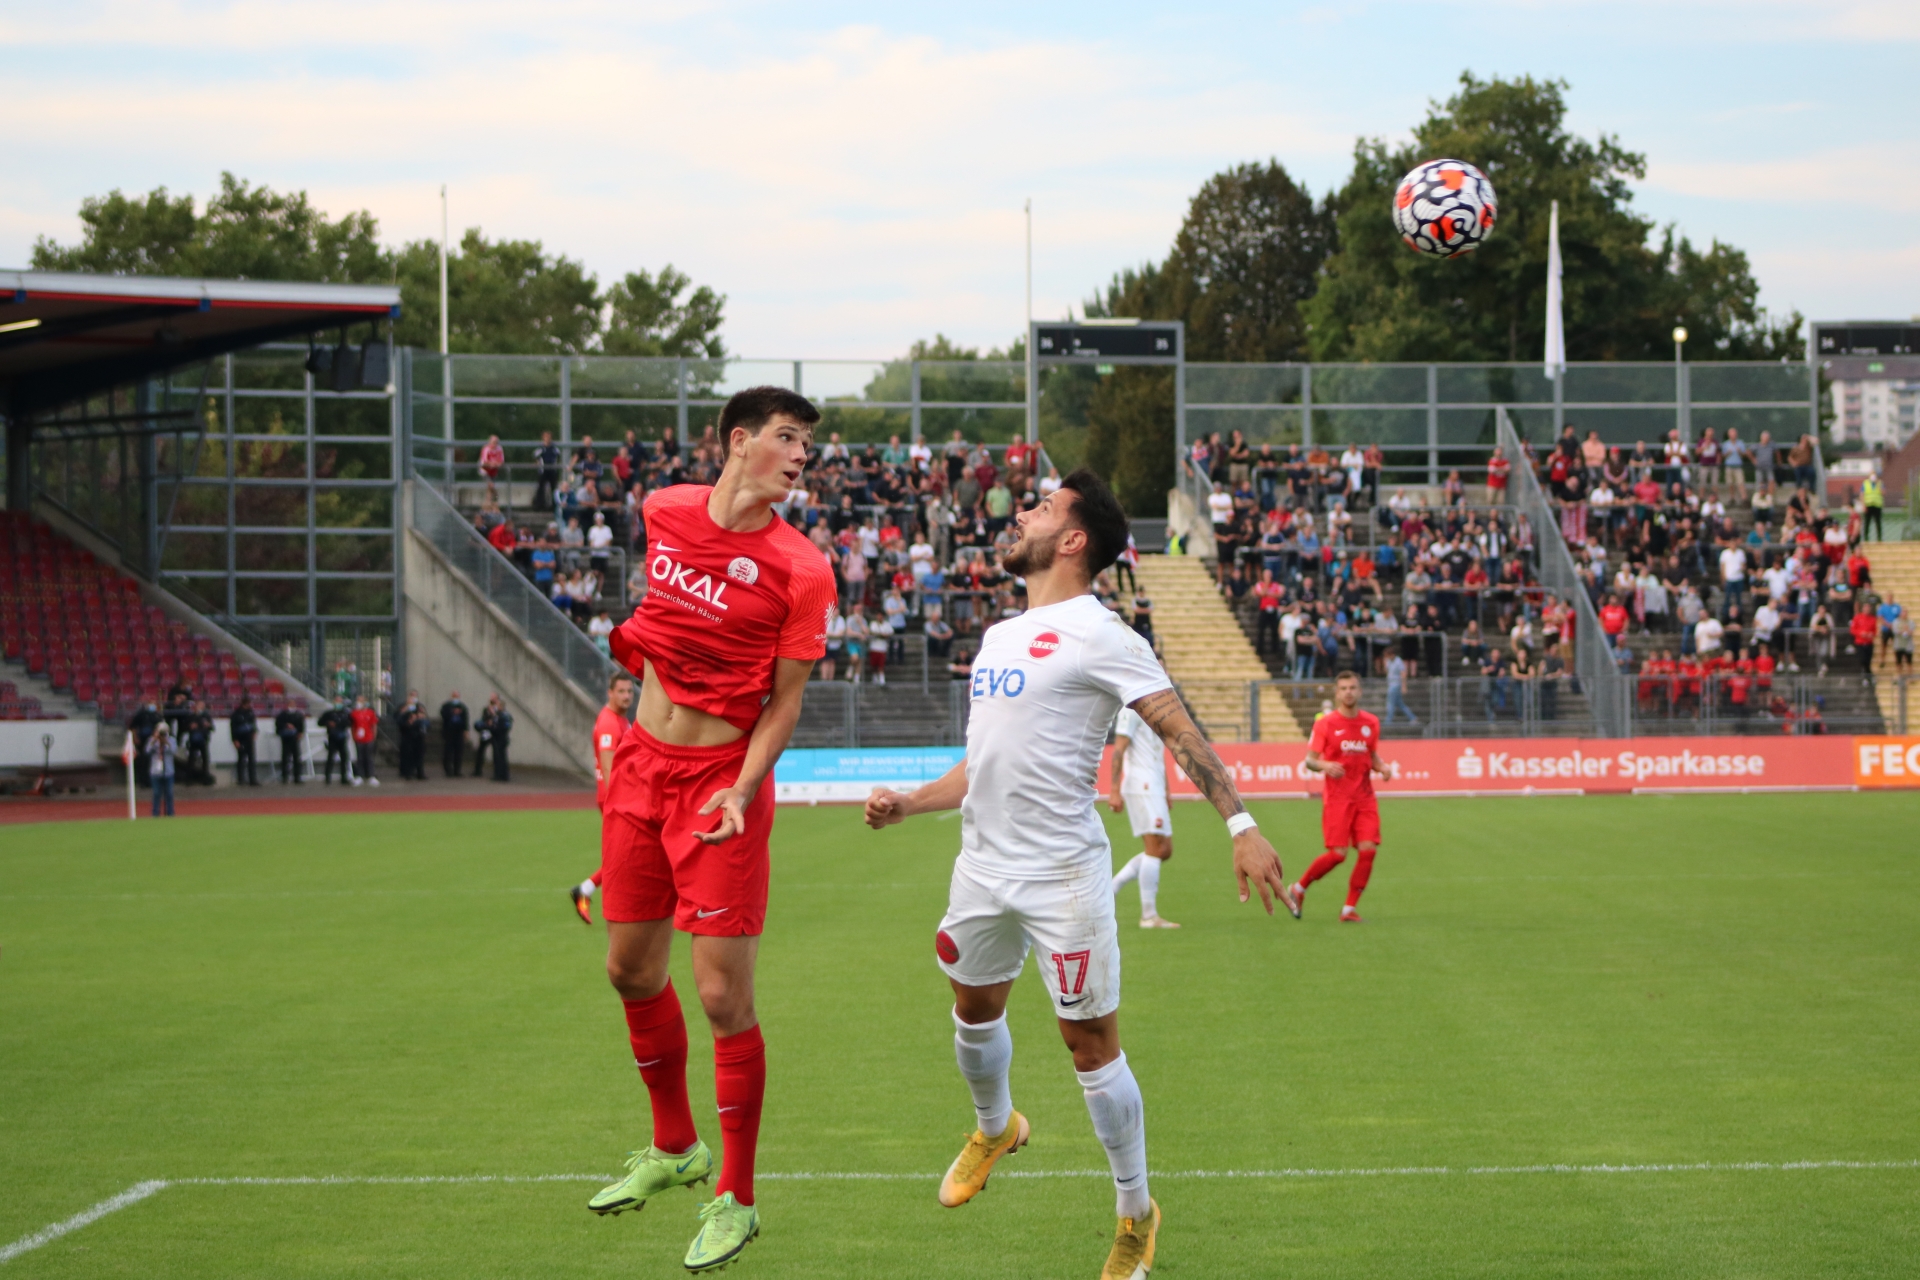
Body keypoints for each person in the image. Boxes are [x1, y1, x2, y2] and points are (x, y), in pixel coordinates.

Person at [862, 468, 1285, 1280]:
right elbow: (982, 765)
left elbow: (1179, 729)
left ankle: (1135, 1213)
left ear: (1073, 539)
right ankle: (997, 1126)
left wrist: (1241, 822)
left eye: (1042, 507)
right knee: (973, 1010)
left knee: (1088, 1045)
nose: (1021, 512)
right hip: (982, 867)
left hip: (1062, 877)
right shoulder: (997, 638)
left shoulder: (1103, 634)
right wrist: (912, 802)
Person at [587, 386, 836, 1273]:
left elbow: (786, 704)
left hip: (718, 791)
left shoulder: (804, 569)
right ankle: (675, 1147)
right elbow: (654, 640)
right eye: (787, 437)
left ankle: (736, 1197)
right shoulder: (663, 512)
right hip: (641, 770)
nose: (802, 454)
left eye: (807, 442)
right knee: (628, 969)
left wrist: (740, 787)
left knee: (724, 998)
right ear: (739, 442)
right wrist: (623, 749)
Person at [1283, 670, 1392, 923]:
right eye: (1343, 688)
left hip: (1364, 798)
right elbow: (1310, 761)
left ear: (1360, 691)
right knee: (1338, 854)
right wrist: (1325, 765)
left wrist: (1383, 767)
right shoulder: (1326, 724)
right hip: (1338, 799)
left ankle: (1348, 909)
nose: (1348, 692)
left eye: (1352, 687)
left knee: (1368, 851)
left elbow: (1371, 756)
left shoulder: (1371, 723)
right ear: (1336, 692)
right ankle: (1298, 889)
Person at [1107, 699, 1179, 929]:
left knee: (1164, 850)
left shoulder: (1157, 710)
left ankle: (1112, 888)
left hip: (1155, 785)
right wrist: (1114, 789)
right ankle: (1148, 915)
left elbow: (1158, 753)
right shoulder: (1132, 711)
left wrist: (1166, 788)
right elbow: (1118, 749)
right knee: (1155, 848)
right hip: (1142, 784)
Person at [572, 670, 636, 925]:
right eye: (621, 691)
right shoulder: (610, 723)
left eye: (630, 691)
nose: (627, 696)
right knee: (623, 855)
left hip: (622, 797)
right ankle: (616, 908)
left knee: (625, 854)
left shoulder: (621, 719)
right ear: (610, 693)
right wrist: (618, 803)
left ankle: (585, 890)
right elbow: (608, 766)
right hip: (613, 798)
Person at [319, 697, 353, 785]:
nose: (338, 703)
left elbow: (349, 723)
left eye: (340, 702)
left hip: (342, 737)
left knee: (344, 758)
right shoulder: (328, 714)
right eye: (337, 701)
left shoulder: (345, 713)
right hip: (332, 737)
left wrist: (338, 724)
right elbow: (320, 722)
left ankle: (344, 777)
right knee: (330, 758)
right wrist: (328, 723)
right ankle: (327, 777)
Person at [147, 721, 178, 816]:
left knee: (169, 793)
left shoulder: (171, 740)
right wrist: (154, 740)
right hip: (155, 771)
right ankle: (155, 812)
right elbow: (147, 751)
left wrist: (166, 742)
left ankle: (170, 812)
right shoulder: (152, 740)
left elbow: (173, 751)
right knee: (156, 793)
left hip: (168, 771)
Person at [396, 691, 429, 780]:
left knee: (419, 754)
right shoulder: (403, 708)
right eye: (411, 696)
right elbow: (399, 721)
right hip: (407, 735)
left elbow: (425, 720)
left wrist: (421, 717)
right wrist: (407, 720)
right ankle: (408, 773)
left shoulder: (419, 707)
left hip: (419, 734)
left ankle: (420, 772)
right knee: (408, 755)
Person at [348, 696, 380, 787]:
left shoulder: (370, 713)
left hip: (368, 737)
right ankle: (359, 776)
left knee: (369, 757)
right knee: (360, 757)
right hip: (359, 738)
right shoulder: (354, 713)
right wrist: (354, 736)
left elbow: (374, 725)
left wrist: (374, 736)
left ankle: (371, 776)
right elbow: (353, 726)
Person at [230, 695, 259, 786]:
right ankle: (241, 779)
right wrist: (235, 740)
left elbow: (253, 724)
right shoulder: (236, 714)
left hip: (249, 738)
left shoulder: (250, 713)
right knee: (241, 759)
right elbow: (233, 728)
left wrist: (254, 732)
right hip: (240, 738)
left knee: (251, 759)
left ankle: (252, 779)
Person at [440, 692, 470, 778]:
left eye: (457, 696)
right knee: (448, 751)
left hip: (459, 731)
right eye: (454, 696)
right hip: (449, 732)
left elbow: (465, 719)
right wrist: (452, 712)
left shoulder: (462, 707)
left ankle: (457, 770)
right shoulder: (446, 706)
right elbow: (443, 715)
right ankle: (448, 769)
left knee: (459, 751)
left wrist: (466, 730)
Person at [274, 701, 305, 783]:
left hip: (295, 738)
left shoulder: (298, 715)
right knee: (285, 757)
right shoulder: (282, 715)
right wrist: (286, 726)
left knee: (296, 758)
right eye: (290, 705)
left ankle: (297, 776)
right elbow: (278, 724)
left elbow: (301, 726)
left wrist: (300, 732)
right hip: (286, 738)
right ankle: (284, 776)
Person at [1384, 651, 1417, 725]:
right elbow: (1386, 671)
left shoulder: (1398, 661)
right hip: (1390, 684)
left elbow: (1403, 673)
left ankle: (1388, 720)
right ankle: (1412, 717)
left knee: (1390, 703)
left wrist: (1404, 686)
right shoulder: (1389, 662)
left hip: (1395, 685)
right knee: (1400, 704)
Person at [485, 694, 512, 781]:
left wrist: (491, 725)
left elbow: (499, 727)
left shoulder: (501, 715)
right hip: (501, 737)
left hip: (499, 738)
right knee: (501, 757)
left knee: (499, 757)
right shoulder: (504, 715)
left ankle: (500, 775)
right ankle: (503, 775)